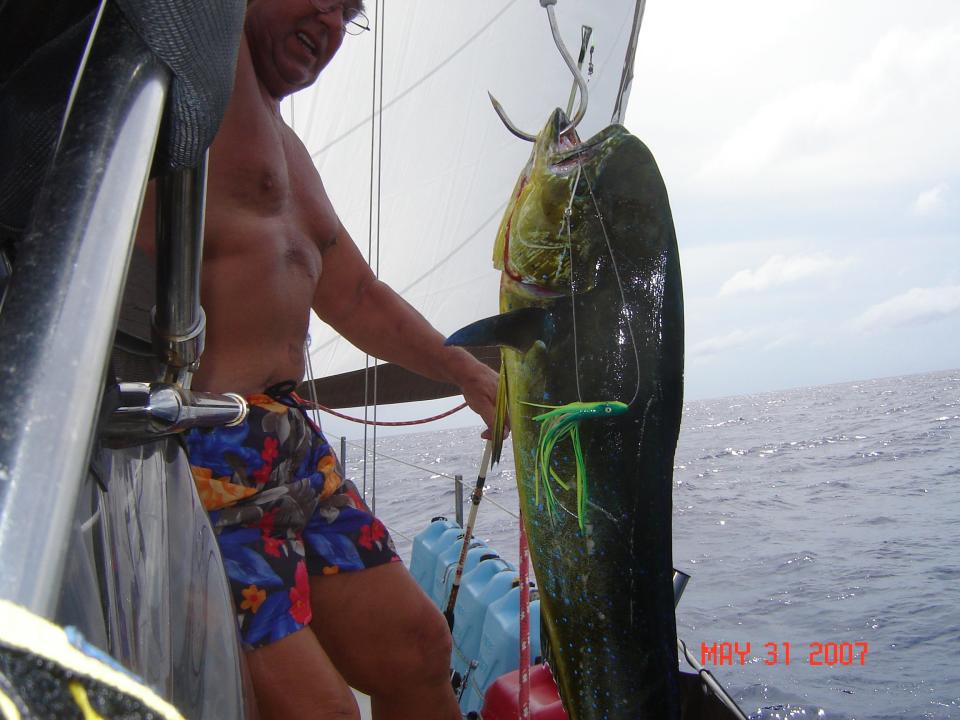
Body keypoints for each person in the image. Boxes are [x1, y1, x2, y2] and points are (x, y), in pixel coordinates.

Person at [135, 1, 499, 718]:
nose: (331, 23)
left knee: (421, 648)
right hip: (209, 455)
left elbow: (359, 294)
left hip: (297, 450)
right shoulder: (204, 81)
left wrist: (463, 369)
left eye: (350, 12)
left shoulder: (289, 152)